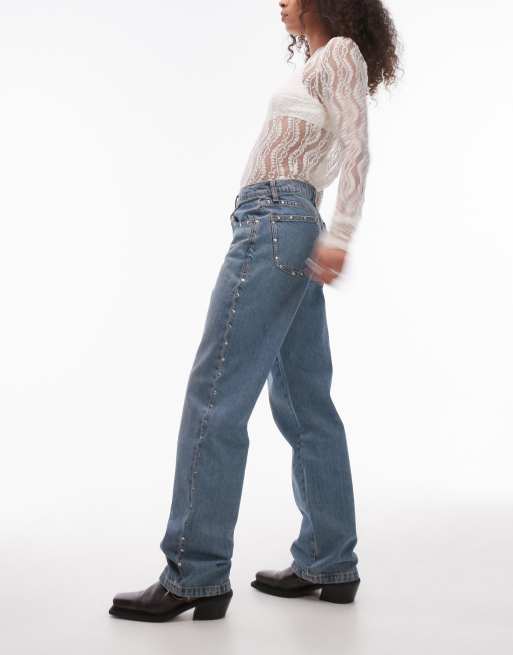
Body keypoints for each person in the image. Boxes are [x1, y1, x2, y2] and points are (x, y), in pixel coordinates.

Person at [109, 0, 400, 622]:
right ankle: (328, 559)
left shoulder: (338, 54)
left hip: (274, 224)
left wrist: (342, 234)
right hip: (285, 227)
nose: (280, 1)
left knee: (215, 394)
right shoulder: (319, 64)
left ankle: (195, 572)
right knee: (304, 402)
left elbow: (357, 149)